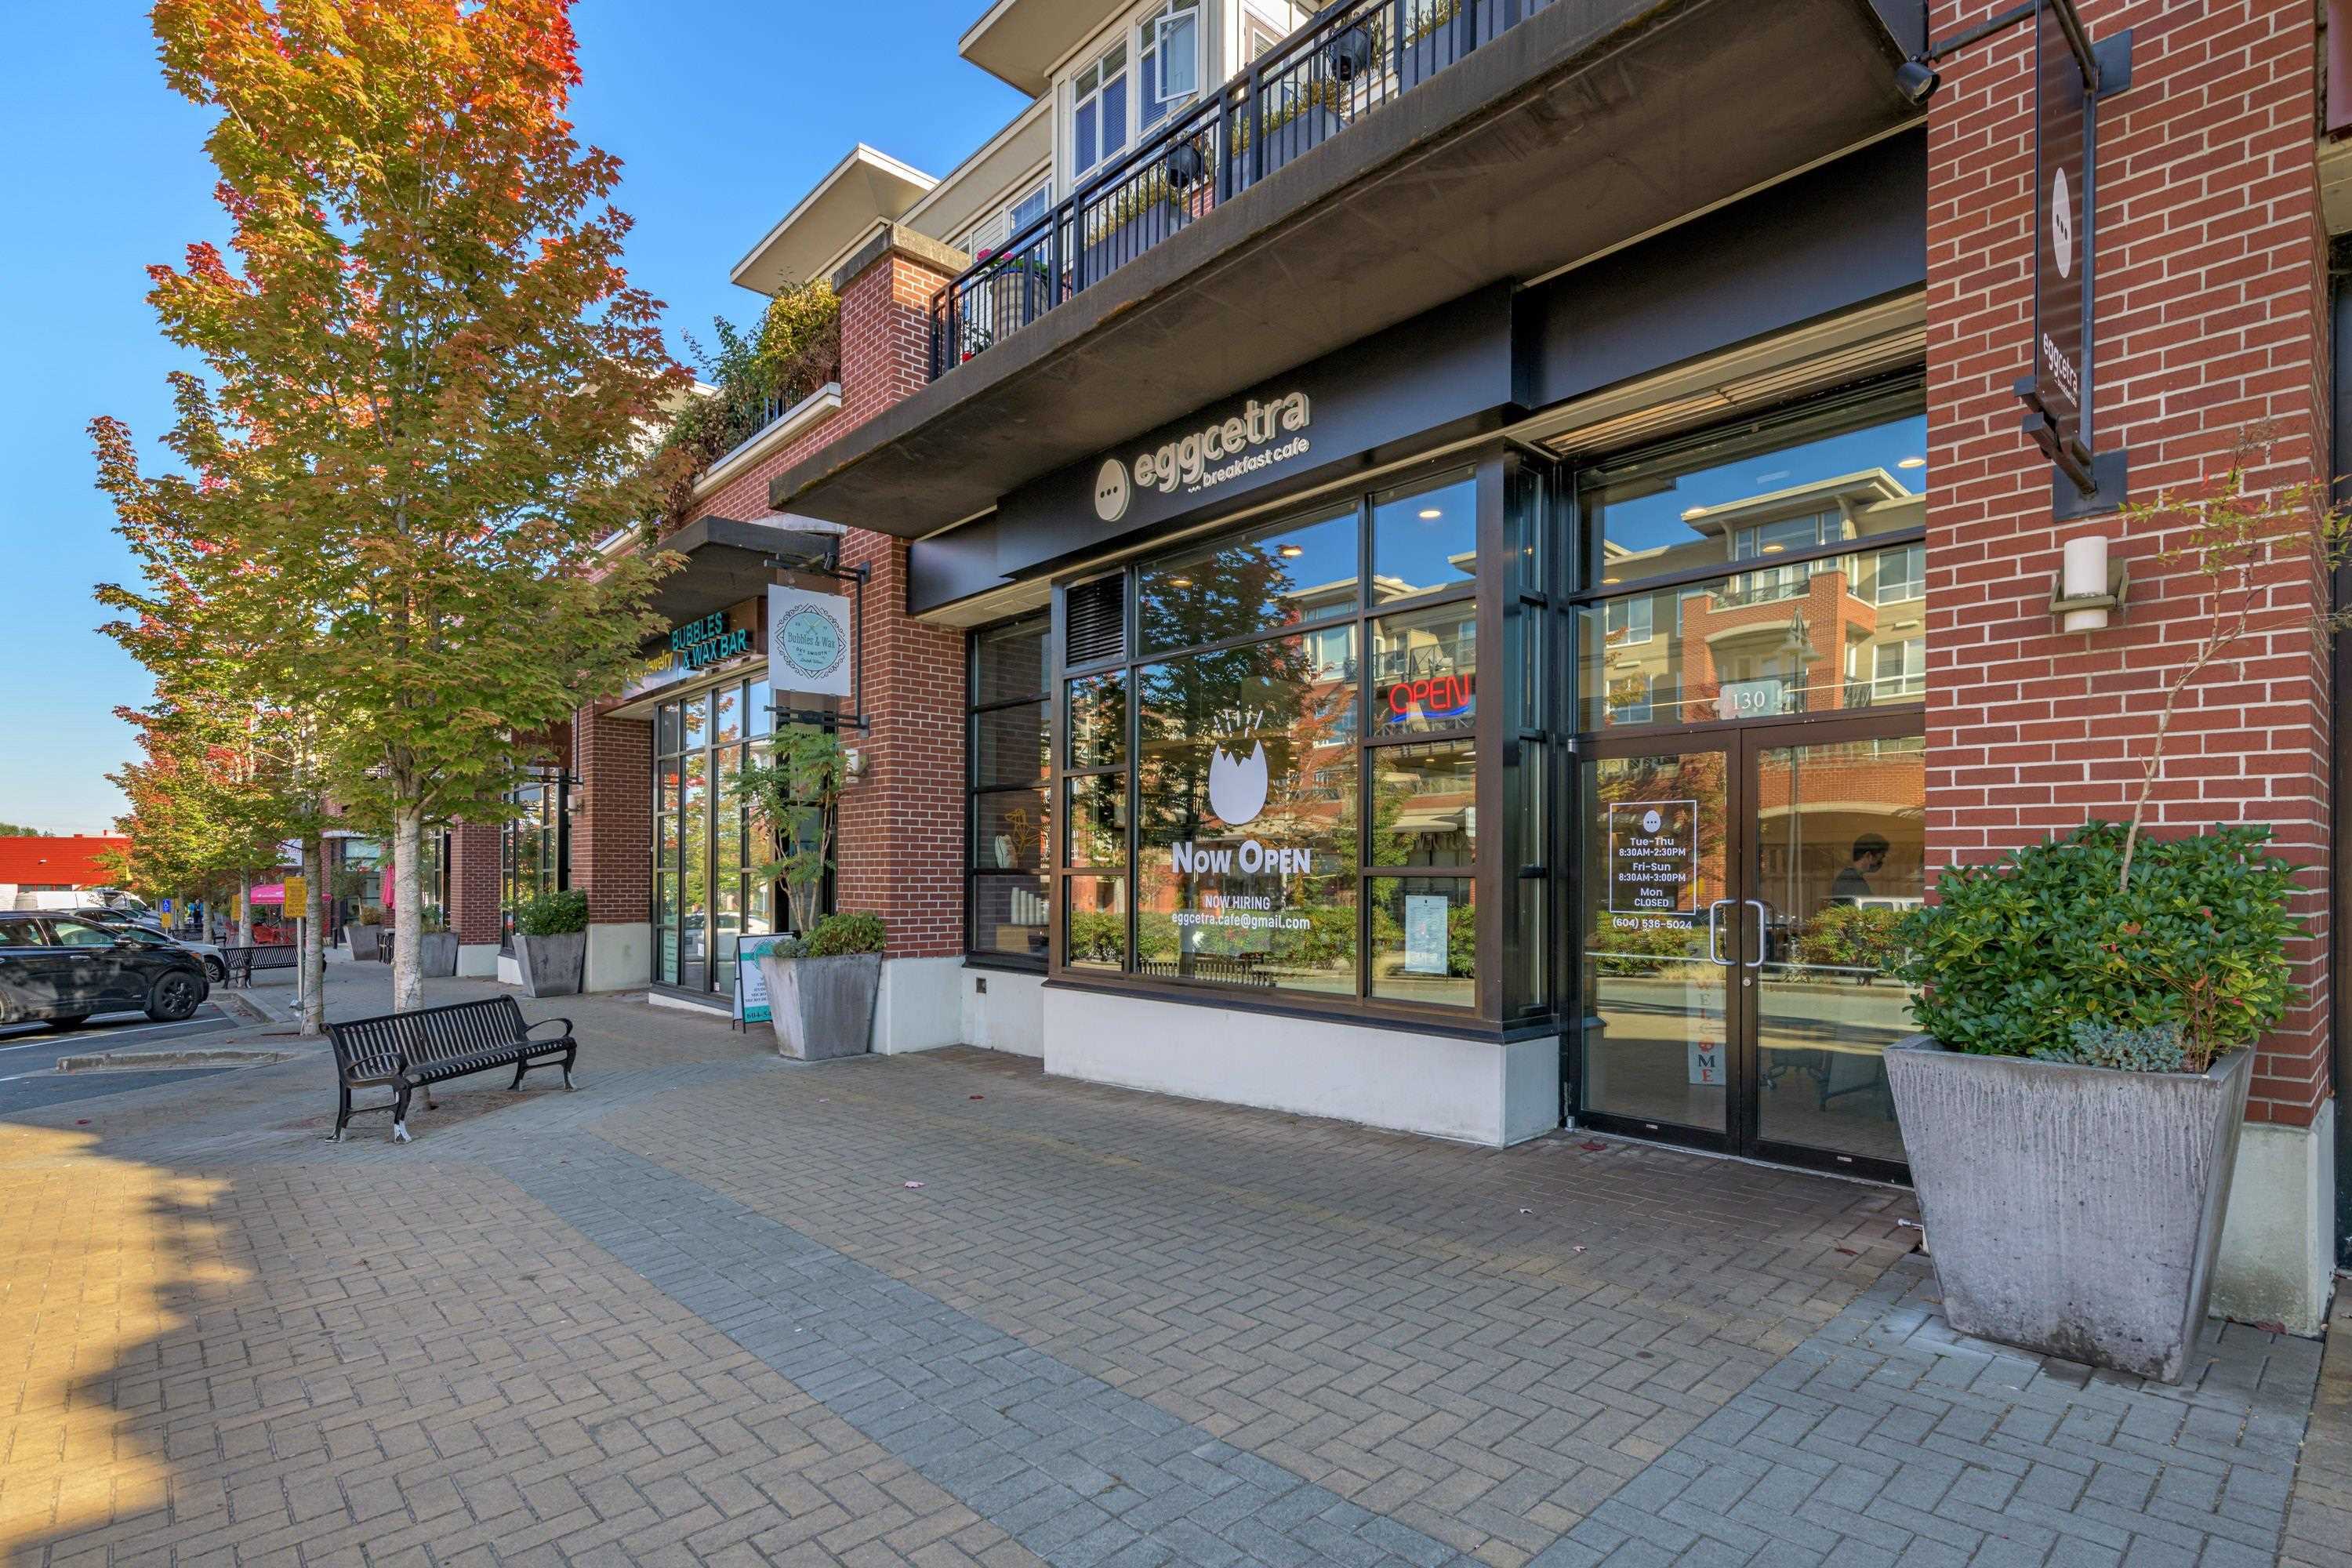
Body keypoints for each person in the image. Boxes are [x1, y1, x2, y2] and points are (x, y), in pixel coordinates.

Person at [1831, 833, 1889, 904]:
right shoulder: (1852, 881)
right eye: (1880, 858)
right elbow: (1867, 907)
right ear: (1868, 855)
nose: (1881, 862)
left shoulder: (1850, 877)